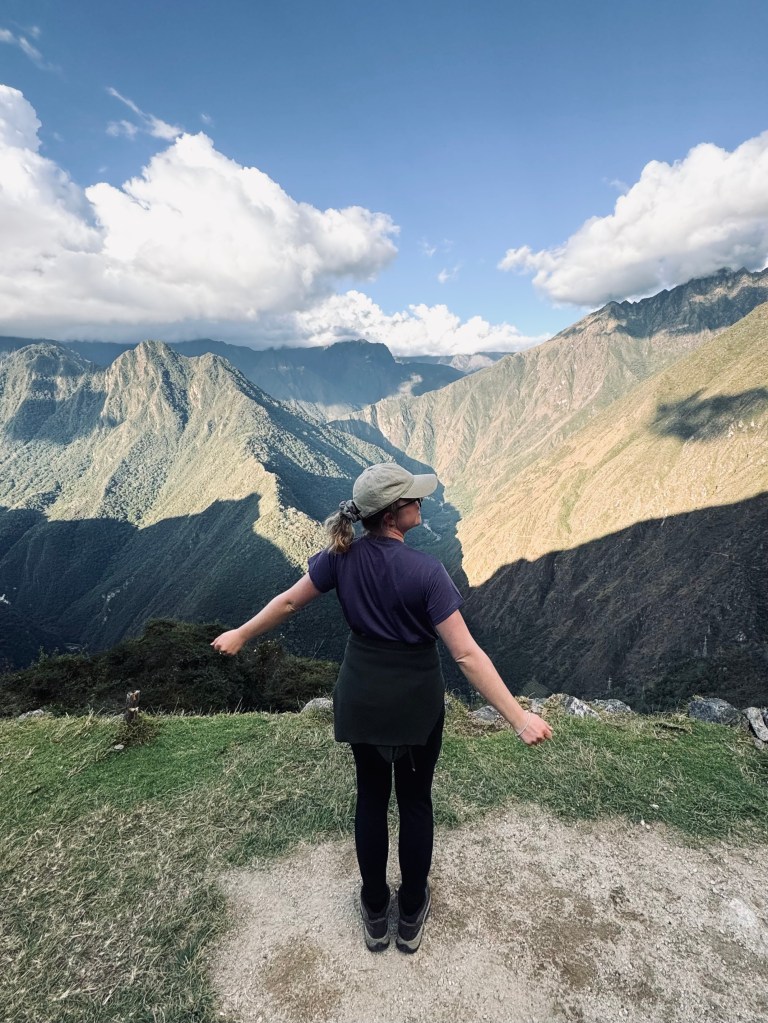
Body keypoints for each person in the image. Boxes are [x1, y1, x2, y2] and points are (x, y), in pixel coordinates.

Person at [211, 462, 552, 954]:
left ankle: (374, 909)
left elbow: (288, 604)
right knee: (414, 802)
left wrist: (242, 633)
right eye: (415, 498)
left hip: (362, 697)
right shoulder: (427, 573)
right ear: (396, 513)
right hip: (415, 703)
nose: (421, 502)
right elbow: (465, 654)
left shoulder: (340, 555)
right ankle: (411, 910)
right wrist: (518, 718)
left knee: (370, 799)